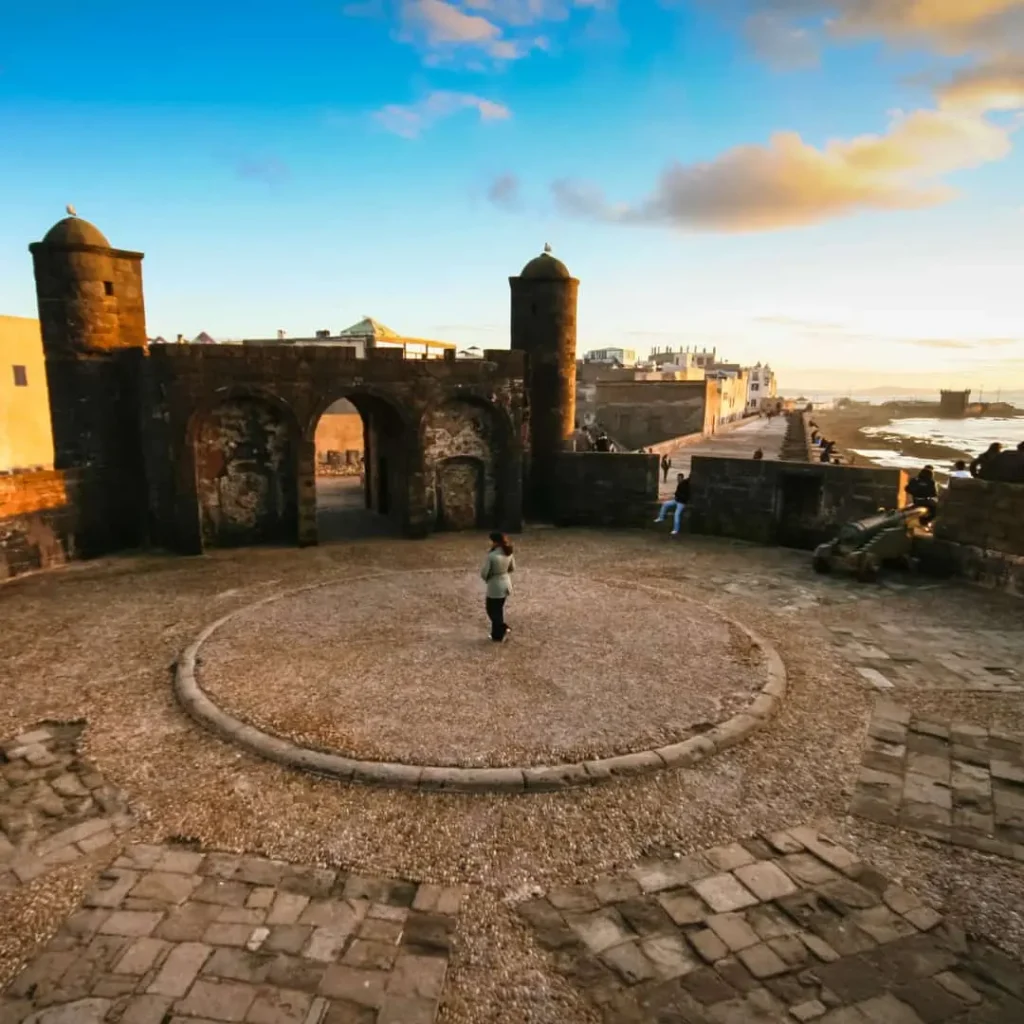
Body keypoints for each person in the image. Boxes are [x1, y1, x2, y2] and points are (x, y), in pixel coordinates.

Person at [480, 532, 515, 643]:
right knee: (498, 609)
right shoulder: (508, 553)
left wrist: (489, 578)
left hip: (495, 586)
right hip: (506, 584)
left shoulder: (492, 556)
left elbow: (485, 573)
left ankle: (501, 630)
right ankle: (497, 633)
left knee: (492, 610)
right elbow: (512, 568)